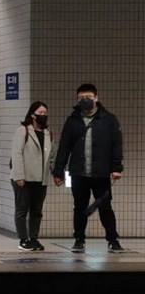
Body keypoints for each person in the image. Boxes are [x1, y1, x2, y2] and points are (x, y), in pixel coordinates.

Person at [53, 84, 124, 254]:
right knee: (79, 208)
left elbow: (117, 145)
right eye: (81, 97)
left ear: (96, 98)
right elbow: (64, 147)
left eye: (88, 97)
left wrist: (116, 168)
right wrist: (58, 171)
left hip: (101, 173)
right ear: (77, 99)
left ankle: (113, 240)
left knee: (105, 207)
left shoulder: (109, 119)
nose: (85, 100)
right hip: (78, 173)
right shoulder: (73, 120)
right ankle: (79, 240)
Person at [10, 102, 52, 252]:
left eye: (45, 113)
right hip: (24, 178)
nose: (43, 116)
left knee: (37, 211)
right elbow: (16, 153)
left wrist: (55, 173)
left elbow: (50, 156)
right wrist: (19, 176)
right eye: (40, 113)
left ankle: (34, 238)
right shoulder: (23, 131)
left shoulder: (47, 132)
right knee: (22, 209)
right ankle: (23, 239)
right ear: (32, 115)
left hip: (41, 179)